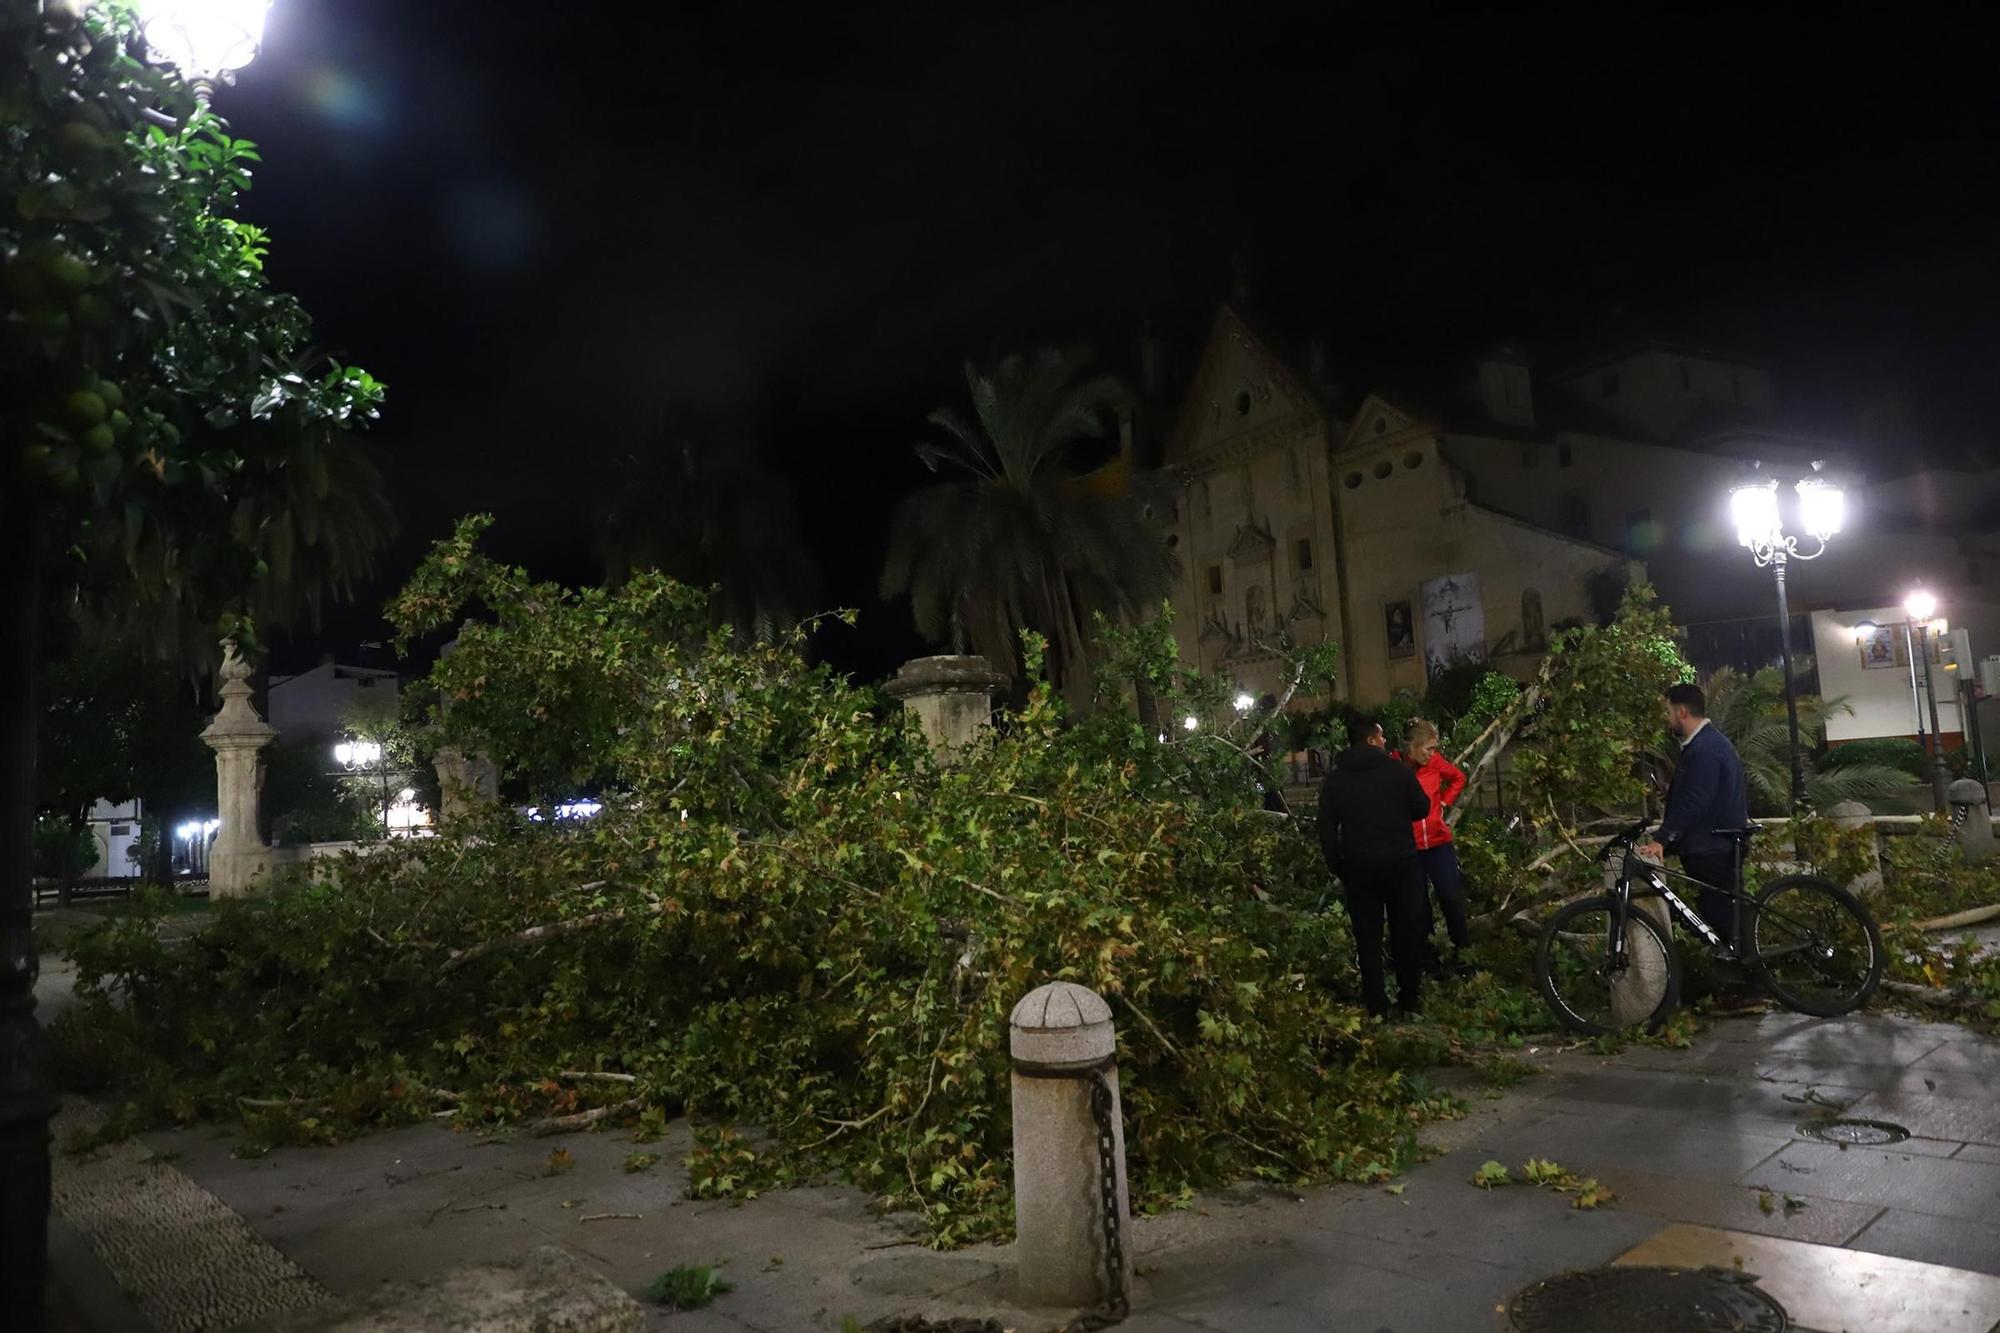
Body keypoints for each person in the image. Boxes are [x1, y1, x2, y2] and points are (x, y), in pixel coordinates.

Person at [1317, 716, 1432, 1018]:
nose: (1384, 742)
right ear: (1370, 740)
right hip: (1401, 863)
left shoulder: (1336, 780)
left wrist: (1337, 864)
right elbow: (1421, 808)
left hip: (1359, 866)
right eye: (1381, 737)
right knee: (1405, 931)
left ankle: (1376, 1006)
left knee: (1367, 937)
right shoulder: (1396, 770)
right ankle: (1409, 1000)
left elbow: (1326, 828)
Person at [1639, 683, 1749, 944]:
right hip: (1713, 843)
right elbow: (1701, 792)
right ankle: (1742, 965)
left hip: (1713, 846)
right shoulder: (1705, 744)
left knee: (1721, 915)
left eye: (1669, 712)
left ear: (1682, 712)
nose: (1668, 719)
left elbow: (1697, 800)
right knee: (1723, 913)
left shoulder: (1705, 748)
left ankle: (1748, 971)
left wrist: (1662, 838)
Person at [1399, 719, 1471, 976]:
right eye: (1428, 748)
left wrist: (1444, 803)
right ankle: (1430, 964)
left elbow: (1458, 778)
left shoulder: (1435, 763)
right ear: (1414, 747)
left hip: (1439, 843)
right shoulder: (1397, 765)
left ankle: (1463, 958)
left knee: (1451, 899)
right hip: (1412, 847)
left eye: (1434, 748)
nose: (1432, 753)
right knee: (1420, 909)